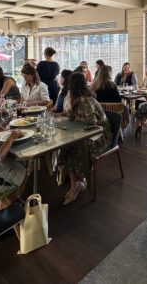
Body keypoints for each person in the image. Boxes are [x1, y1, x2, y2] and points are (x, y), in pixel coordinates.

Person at [61, 72, 111, 205]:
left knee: (76, 149)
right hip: (90, 133)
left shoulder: (84, 99)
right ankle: (76, 183)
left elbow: (91, 121)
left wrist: (74, 116)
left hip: (100, 136)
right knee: (66, 147)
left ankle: (77, 184)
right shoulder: (78, 97)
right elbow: (73, 117)